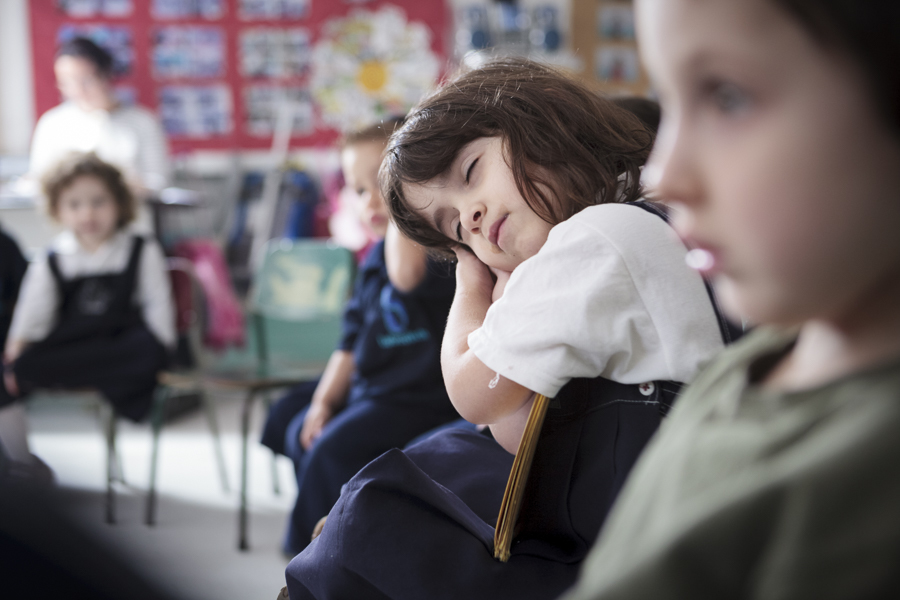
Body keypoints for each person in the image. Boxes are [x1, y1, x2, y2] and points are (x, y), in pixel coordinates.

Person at [283, 58, 736, 599]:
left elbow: (475, 395)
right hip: (647, 516)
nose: (470, 217)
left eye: (471, 171)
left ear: (536, 119)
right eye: (454, 227)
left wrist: (470, 282)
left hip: (640, 542)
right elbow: (518, 430)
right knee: (398, 494)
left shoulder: (595, 237)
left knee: (373, 515)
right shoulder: (637, 213)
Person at [559, 0, 900, 598]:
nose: (664, 173)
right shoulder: (767, 356)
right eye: (668, 101)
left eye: (729, 97)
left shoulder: (866, 485)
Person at [259, 119, 460, 556]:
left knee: (331, 448)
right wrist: (324, 401)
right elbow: (349, 340)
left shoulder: (435, 245)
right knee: (293, 422)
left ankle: (306, 555)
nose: (372, 200)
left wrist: (401, 210)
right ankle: (333, 524)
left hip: (417, 396)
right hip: (373, 386)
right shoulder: (371, 261)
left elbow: (406, 279)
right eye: (359, 189)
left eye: (385, 183)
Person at [2, 153, 174, 445]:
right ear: (57, 209)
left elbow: (158, 304)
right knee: (23, 367)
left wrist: (162, 346)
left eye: (99, 202)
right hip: (78, 342)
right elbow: (34, 313)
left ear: (119, 203)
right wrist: (16, 350)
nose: (88, 214)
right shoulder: (53, 258)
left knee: (146, 350)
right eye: (75, 204)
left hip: (122, 340)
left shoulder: (141, 248)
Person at [30, 37, 170, 194]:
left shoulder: (143, 121)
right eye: (67, 82)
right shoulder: (52, 123)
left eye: (85, 80)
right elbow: (39, 178)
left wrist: (115, 187)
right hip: (69, 216)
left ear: (106, 74)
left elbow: (158, 180)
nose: (77, 89)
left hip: (129, 214)